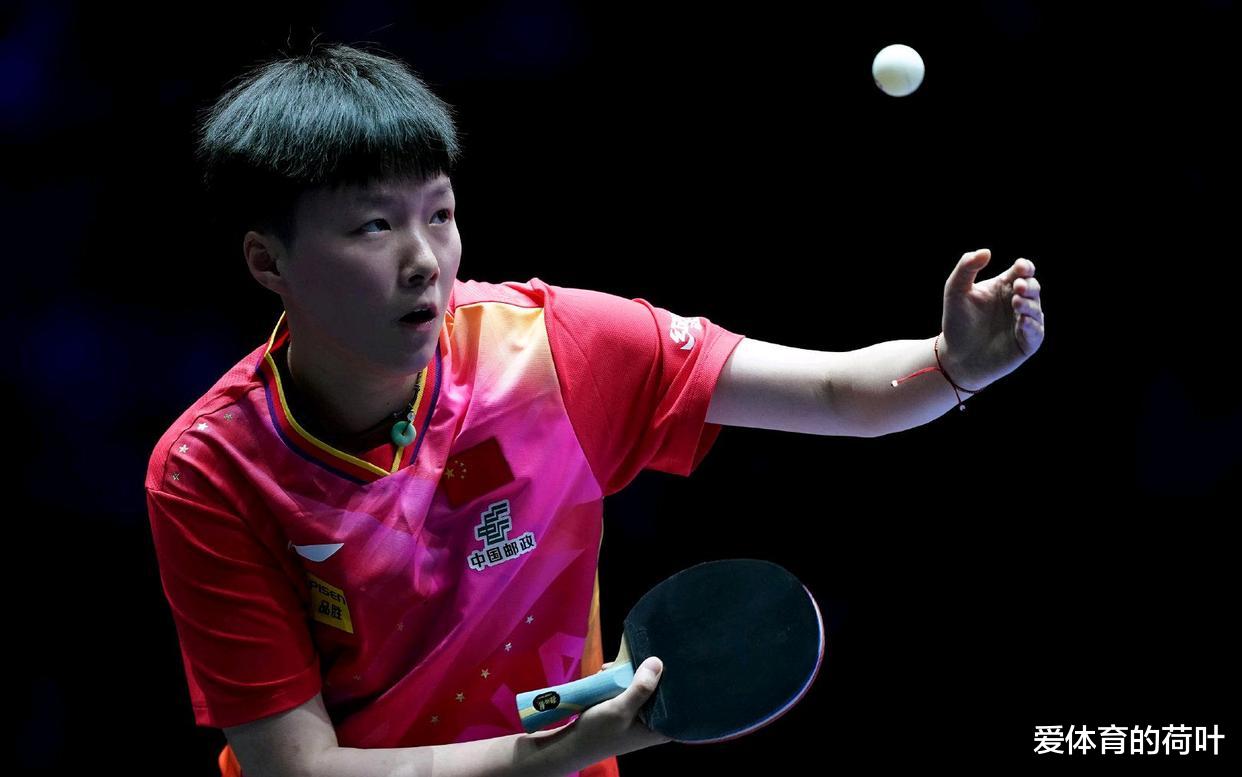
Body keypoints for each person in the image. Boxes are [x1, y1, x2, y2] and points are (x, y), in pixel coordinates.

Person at [145, 41, 1044, 777]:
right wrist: (568, 749)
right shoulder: (210, 471)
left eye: (440, 214)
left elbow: (842, 393)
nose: (425, 260)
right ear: (268, 261)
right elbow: (296, 768)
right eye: (374, 226)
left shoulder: (547, 351)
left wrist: (951, 365)